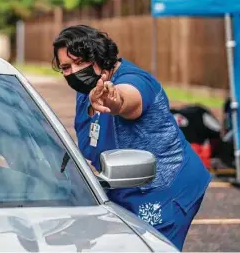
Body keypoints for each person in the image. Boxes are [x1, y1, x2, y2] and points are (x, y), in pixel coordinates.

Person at [52, 25, 211, 251]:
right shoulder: (85, 92)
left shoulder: (134, 80)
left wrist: (112, 100)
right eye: (66, 67)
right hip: (119, 189)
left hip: (165, 189)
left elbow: (127, 101)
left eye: (80, 62)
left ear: (97, 56)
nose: (74, 72)